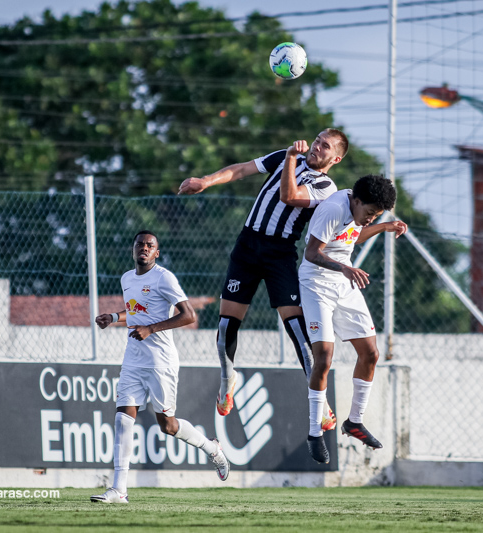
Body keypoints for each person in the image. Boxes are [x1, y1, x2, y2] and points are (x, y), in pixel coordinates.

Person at [178, 130, 348, 430]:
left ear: (335, 159)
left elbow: (290, 196)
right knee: (226, 328)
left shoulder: (325, 186)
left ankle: (320, 403)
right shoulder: (286, 156)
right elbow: (241, 169)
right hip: (247, 246)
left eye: (325, 146)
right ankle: (226, 380)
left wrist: (291, 159)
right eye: (318, 140)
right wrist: (205, 181)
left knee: (296, 328)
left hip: (279, 254)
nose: (317, 146)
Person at [90, 231, 229, 504]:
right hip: (133, 359)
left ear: (157, 253)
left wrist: (151, 329)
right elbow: (135, 310)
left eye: (149, 245)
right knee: (122, 418)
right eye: (140, 244)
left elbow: (189, 315)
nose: (144, 248)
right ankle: (119, 489)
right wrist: (114, 317)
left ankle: (212, 448)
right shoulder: (127, 278)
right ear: (133, 250)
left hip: (161, 362)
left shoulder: (164, 278)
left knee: (167, 425)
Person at [299, 174, 407, 464]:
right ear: (356, 202)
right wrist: (345, 269)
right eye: (370, 213)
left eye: (376, 215)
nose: (370, 218)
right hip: (316, 284)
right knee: (324, 356)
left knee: (371, 353)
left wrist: (384, 226)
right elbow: (311, 253)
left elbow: (352, 234)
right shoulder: (333, 209)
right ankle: (314, 433)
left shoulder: (357, 210)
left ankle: (354, 422)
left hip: (343, 282)